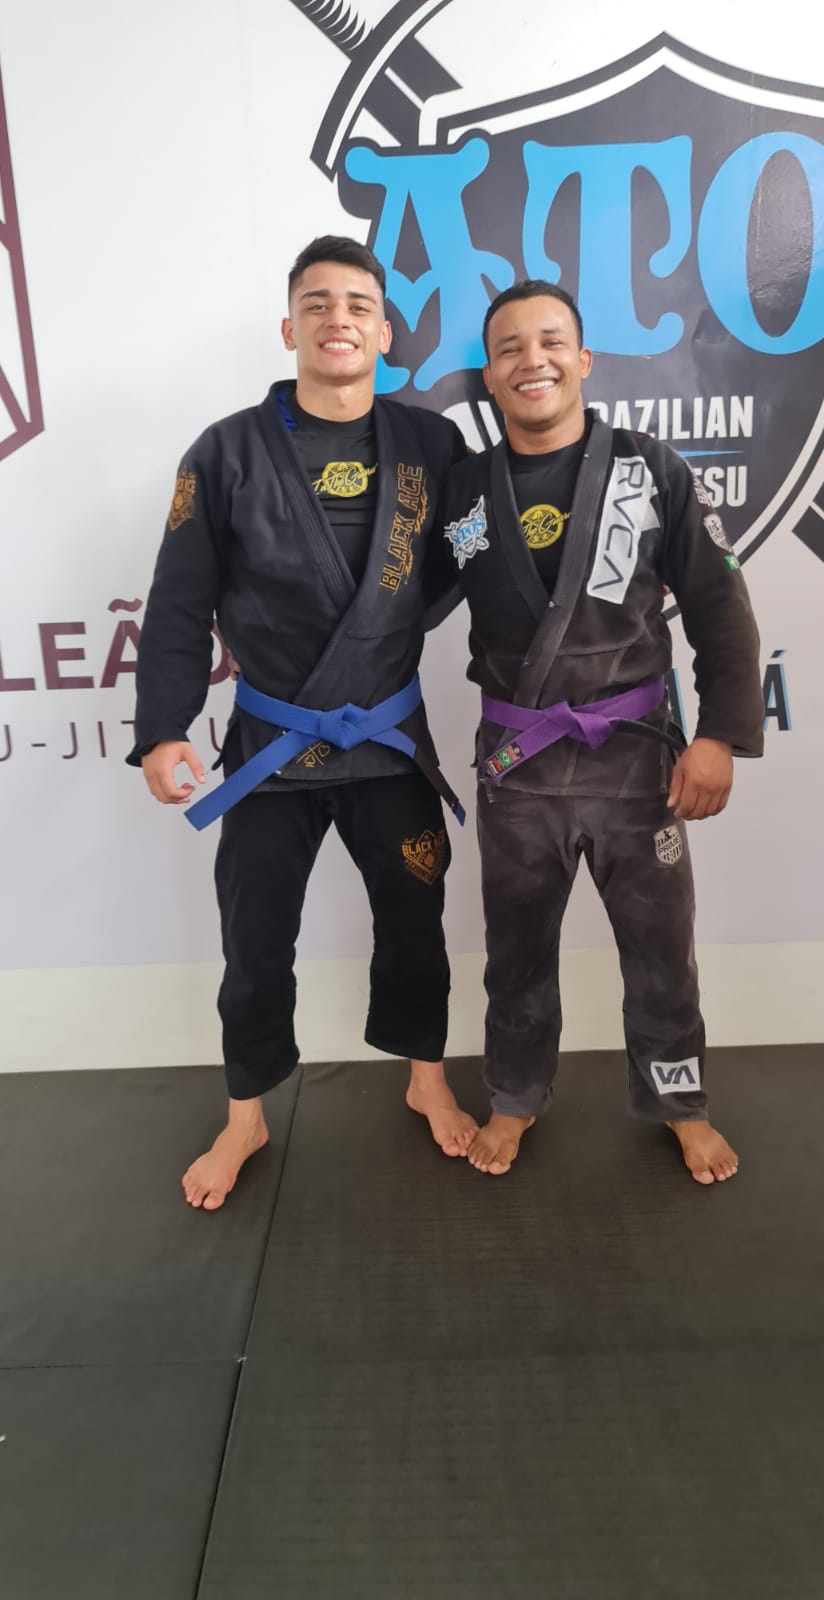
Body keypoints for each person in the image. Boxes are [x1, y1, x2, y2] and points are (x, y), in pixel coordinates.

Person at [130, 235, 476, 1209]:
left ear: (386, 331)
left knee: (416, 922)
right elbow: (178, 600)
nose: (338, 319)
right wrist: (164, 726)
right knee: (254, 938)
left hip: (387, 741)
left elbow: (472, 557)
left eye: (359, 304)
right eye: (317, 303)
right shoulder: (225, 452)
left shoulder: (434, 448)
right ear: (289, 329)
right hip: (270, 749)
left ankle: (426, 1076)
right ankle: (244, 1113)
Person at [440, 279, 764, 1184]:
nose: (531, 360)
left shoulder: (650, 470)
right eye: (508, 348)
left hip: (636, 762)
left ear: (582, 360)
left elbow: (720, 607)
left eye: (551, 342)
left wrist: (720, 735)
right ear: (489, 376)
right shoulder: (463, 492)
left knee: (661, 953)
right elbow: (396, 605)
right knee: (515, 953)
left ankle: (680, 1102)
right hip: (517, 766)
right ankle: (513, 1096)